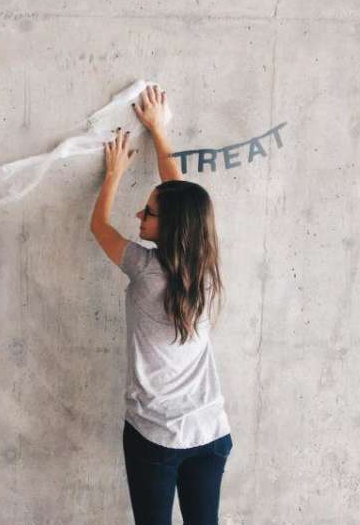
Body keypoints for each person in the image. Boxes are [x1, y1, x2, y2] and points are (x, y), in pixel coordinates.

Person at [89, 85, 233, 524]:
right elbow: (180, 193)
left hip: (156, 438)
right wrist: (158, 130)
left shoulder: (145, 269)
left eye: (147, 213)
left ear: (169, 227)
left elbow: (99, 227)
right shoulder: (207, 267)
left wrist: (114, 173)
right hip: (211, 433)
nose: (139, 215)